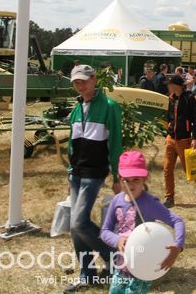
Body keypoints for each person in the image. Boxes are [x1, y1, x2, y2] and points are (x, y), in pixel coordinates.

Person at [65, 64, 123, 292]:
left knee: (80, 222)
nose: (80, 85)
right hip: (76, 172)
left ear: (94, 80)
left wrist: (118, 175)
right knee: (74, 227)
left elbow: (116, 142)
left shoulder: (109, 107)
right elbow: (72, 142)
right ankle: (87, 274)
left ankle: (115, 258)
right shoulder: (77, 108)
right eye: (76, 82)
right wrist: (70, 170)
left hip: (95, 171)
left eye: (84, 80)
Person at [99, 151, 185, 294]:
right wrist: (117, 240)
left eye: (136, 179)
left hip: (143, 266)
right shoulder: (116, 201)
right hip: (122, 264)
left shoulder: (150, 203)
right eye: (126, 179)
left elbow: (177, 221)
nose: (131, 185)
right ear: (120, 179)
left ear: (144, 178)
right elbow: (105, 231)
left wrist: (178, 246)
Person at [163, 75, 196, 208]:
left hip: (184, 139)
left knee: (189, 168)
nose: (168, 87)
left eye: (170, 85)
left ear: (177, 85)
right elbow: (170, 115)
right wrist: (168, 125)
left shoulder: (189, 98)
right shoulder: (171, 98)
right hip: (170, 138)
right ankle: (169, 198)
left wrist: (195, 137)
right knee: (167, 169)